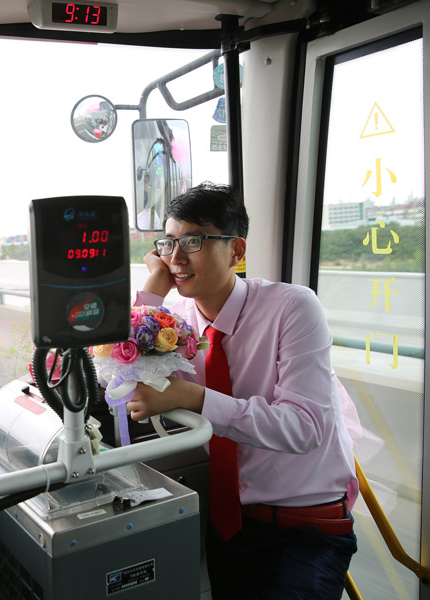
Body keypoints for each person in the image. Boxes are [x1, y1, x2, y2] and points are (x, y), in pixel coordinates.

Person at [126, 182, 358, 599]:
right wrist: (151, 293)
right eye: (168, 244)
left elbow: (305, 428)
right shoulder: (172, 317)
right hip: (228, 522)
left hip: (304, 527)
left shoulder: (292, 307)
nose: (176, 259)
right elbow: (121, 384)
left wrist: (191, 397)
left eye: (193, 242)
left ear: (236, 251)